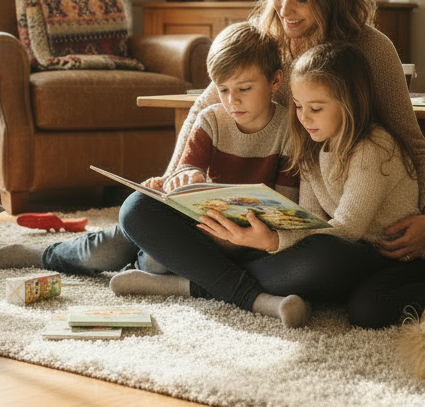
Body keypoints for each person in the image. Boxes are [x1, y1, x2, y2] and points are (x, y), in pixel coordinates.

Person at [0, 23, 309, 328]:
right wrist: (182, 180)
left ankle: (151, 275)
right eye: (223, 90)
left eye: (244, 89)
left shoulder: (289, 130)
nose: (232, 101)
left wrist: (241, 236)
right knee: (110, 246)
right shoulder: (211, 120)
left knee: (159, 260)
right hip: (197, 231)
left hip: (246, 241)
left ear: (275, 81)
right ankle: (44, 254)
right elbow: (186, 169)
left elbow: (284, 207)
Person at [120, 42, 425, 328]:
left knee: (364, 309)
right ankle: (241, 285)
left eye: (316, 108)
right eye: (299, 106)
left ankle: (197, 283)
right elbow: (310, 221)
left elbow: (347, 228)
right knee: (138, 209)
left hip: (399, 258)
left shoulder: (374, 147)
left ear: (351, 104)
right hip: (350, 258)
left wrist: (273, 241)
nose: (304, 118)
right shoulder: (311, 147)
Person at [168, 0, 425, 262]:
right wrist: (173, 179)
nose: (285, 10)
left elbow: (415, 145)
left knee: (312, 265)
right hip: (260, 211)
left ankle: (212, 273)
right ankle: (223, 274)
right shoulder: (263, 40)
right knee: (137, 210)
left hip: (318, 228)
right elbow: (204, 106)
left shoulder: (373, 50)